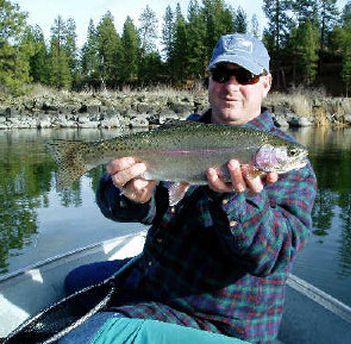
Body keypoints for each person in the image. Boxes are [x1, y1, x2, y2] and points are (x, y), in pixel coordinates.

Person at [61, 33, 317, 343]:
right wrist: (133, 198)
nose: (231, 86)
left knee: (81, 338)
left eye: (245, 76)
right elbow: (121, 201)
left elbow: (274, 255)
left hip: (218, 319)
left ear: (266, 83)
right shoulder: (187, 131)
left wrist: (232, 201)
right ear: (209, 81)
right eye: (222, 74)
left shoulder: (294, 168)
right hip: (156, 283)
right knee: (72, 283)